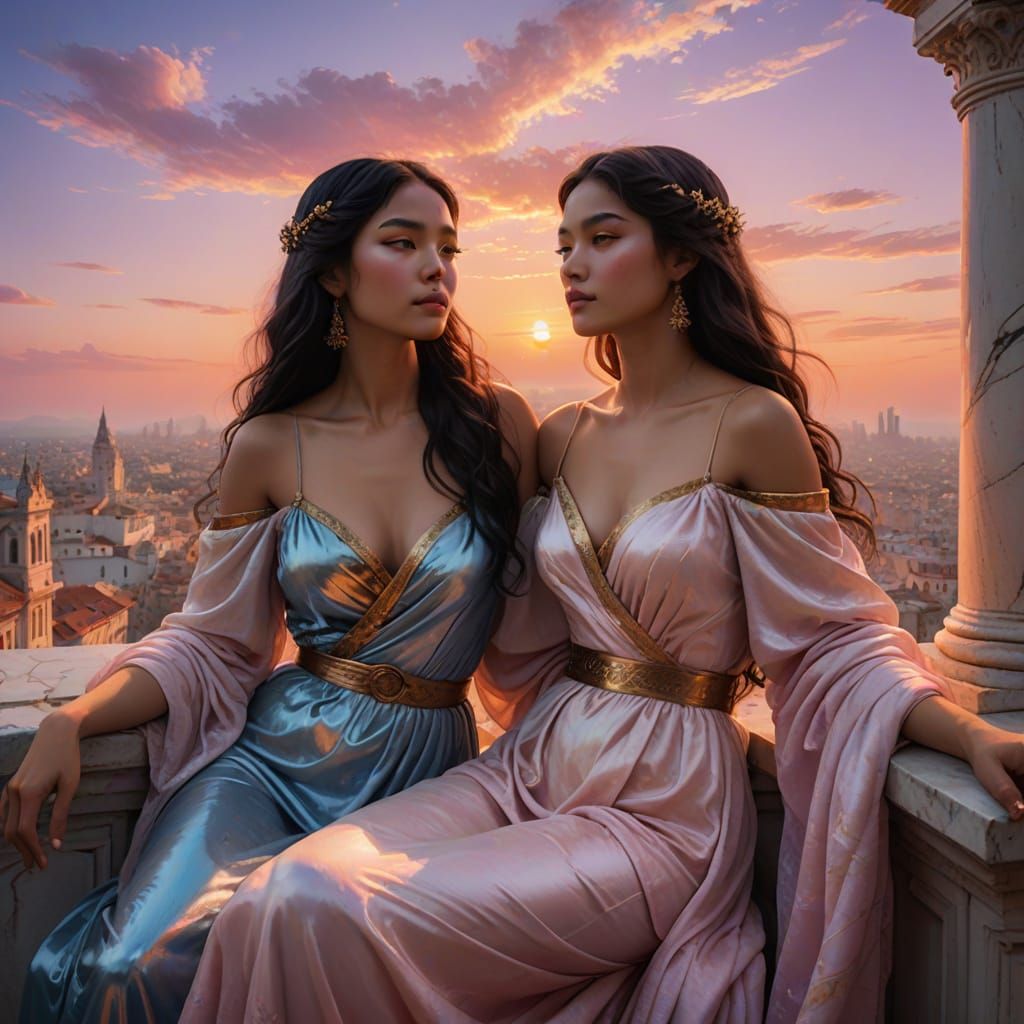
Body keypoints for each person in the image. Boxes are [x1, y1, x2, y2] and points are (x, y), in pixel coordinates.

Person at [181, 146, 1024, 1024]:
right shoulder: (561, 434)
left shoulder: (751, 423)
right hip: (531, 763)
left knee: (326, 909)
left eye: (602, 237)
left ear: (682, 257)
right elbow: (494, 612)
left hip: (666, 806)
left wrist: (965, 732)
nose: (572, 266)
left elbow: (835, 634)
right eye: (563, 245)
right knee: (291, 890)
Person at [2, 156, 537, 1023]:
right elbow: (210, 638)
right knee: (124, 968)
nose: (438, 266)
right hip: (273, 760)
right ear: (331, 270)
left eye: (448, 245)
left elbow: (560, 612)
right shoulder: (270, 443)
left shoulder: (500, 427)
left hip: (425, 776)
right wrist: (70, 718)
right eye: (404, 242)